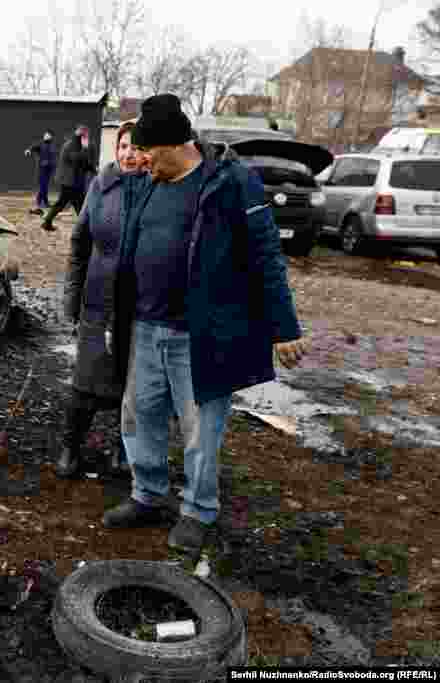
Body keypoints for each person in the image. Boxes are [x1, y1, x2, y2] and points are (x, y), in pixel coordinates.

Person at [104, 93, 307, 553]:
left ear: (174, 146)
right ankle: (148, 493)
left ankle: (197, 509)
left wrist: (285, 327)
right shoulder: (150, 182)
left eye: (148, 152)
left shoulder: (230, 183)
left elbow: (266, 256)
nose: (141, 160)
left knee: (200, 428)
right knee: (139, 416)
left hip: (201, 332)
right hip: (145, 325)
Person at [57, 120, 142, 479]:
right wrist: (71, 297)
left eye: (136, 147)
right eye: (123, 146)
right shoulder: (100, 186)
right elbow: (79, 245)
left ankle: (125, 450)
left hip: (140, 306)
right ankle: (70, 446)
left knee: (134, 386)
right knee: (86, 382)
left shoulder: (158, 189)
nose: (128, 153)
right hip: (98, 300)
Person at [40, 124, 96, 232]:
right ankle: (85, 228)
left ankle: (47, 222)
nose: (87, 138)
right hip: (69, 181)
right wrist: (85, 149)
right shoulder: (71, 145)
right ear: (81, 134)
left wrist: (93, 169)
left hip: (75, 181)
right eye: (85, 135)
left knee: (76, 204)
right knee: (71, 203)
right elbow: (76, 159)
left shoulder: (78, 145)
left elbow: (84, 162)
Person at [24, 129, 57, 215]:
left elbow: (53, 157)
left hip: (49, 169)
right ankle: (39, 201)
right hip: (42, 168)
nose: (46, 136)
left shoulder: (52, 145)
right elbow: (33, 147)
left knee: (45, 186)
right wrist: (29, 151)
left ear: (51, 136)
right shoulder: (40, 144)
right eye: (45, 134)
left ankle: (45, 202)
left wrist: (53, 165)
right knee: (43, 186)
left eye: (48, 135)